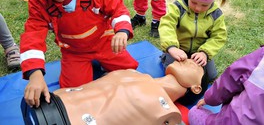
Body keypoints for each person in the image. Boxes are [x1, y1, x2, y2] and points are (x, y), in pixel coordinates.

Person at [20, 0, 138, 108]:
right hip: (74, 52)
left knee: (130, 74)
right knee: (73, 92)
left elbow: (118, 8)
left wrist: (122, 31)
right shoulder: (39, 4)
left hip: (106, 43)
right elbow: (32, 36)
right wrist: (35, 73)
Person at [21, 59, 206, 125]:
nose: (190, 60)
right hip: (48, 103)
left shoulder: (170, 115)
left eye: (196, 66)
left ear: (196, 87)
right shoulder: (134, 73)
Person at [159, 0, 228, 82]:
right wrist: (172, 47)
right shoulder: (177, 7)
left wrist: (205, 53)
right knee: (175, 74)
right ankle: (166, 57)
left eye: (204, 5)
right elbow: (167, 25)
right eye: (194, 2)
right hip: (178, 50)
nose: (198, 8)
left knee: (210, 76)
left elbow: (219, 36)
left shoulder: (216, 14)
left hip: (199, 53)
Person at [188, 45, 264, 125]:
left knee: (194, 111)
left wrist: (209, 98)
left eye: (190, 65)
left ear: (196, 88)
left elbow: (230, 79)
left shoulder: (260, 57)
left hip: (232, 122)